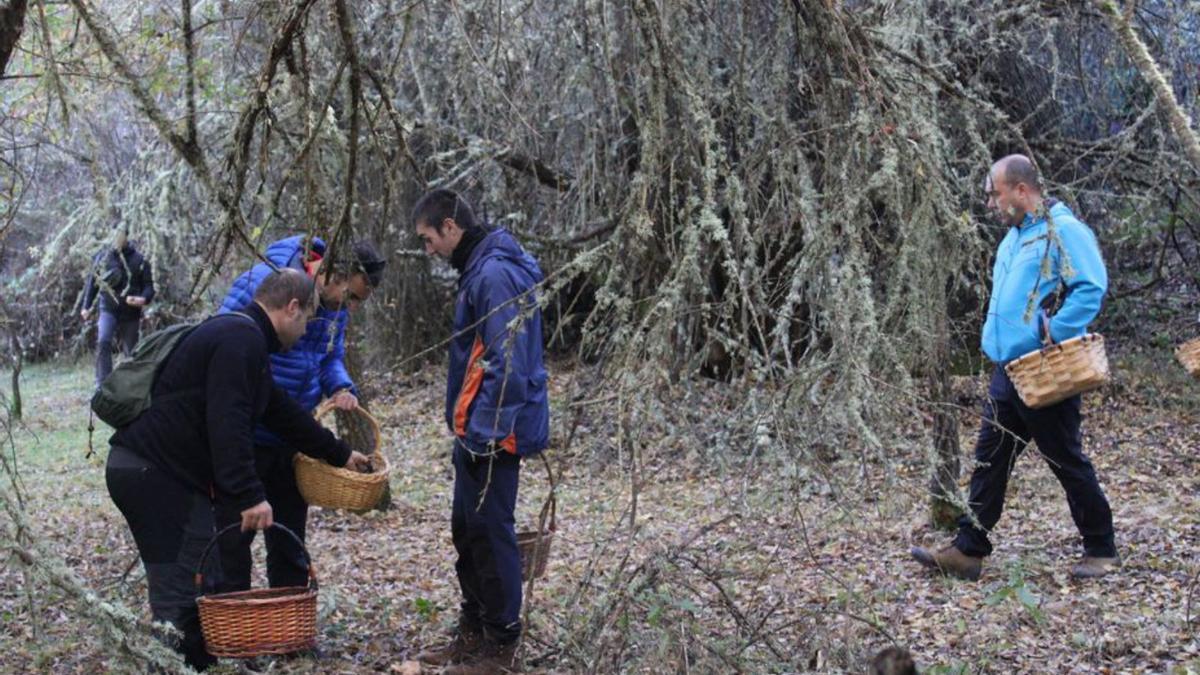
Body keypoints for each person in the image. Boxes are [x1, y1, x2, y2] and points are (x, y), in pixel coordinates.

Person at [105, 269, 370, 670]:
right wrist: (249, 494)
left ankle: (192, 663)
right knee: (186, 588)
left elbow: (280, 413)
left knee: (191, 583)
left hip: (148, 472)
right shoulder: (240, 340)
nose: (305, 334)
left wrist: (340, 453)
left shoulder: (243, 339)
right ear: (292, 308)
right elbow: (227, 422)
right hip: (155, 476)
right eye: (307, 321)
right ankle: (179, 664)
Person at [910, 155, 1118, 581]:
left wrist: (1054, 332)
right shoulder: (1012, 238)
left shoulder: (1063, 231)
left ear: (1021, 190)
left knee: (1065, 459)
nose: (989, 204)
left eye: (994, 194)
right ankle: (968, 550)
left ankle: (1102, 549)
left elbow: (1090, 286)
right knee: (990, 457)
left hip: (1043, 370)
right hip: (1008, 371)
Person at [411, 189, 549, 675]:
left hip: (495, 433)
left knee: (491, 533)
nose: (428, 249)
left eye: (429, 239)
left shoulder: (493, 274)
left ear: (450, 227)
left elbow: (508, 360)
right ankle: (473, 629)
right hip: (475, 431)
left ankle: (501, 644)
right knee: (466, 529)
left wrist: (484, 432)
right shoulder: (478, 269)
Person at [215, 236, 386, 593]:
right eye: (351, 296)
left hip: (294, 438)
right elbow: (226, 346)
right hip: (247, 434)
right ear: (332, 273)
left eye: (359, 301)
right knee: (233, 538)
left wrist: (340, 386)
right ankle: (231, 626)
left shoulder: (335, 311)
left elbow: (329, 356)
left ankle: (289, 633)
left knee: (290, 537)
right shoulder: (263, 282)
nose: (350, 307)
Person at [81, 227, 155, 387]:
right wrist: (86, 306)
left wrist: (142, 299)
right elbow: (92, 283)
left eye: (120, 236)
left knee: (132, 351)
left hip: (131, 314)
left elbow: (149, 287)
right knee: (103, 340)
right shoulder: (102, 258)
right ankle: (103, 384)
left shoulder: (139, 260)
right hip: (107, 309)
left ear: (127, 237)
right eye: (114, 236)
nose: (117, 239)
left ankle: (132, 386)